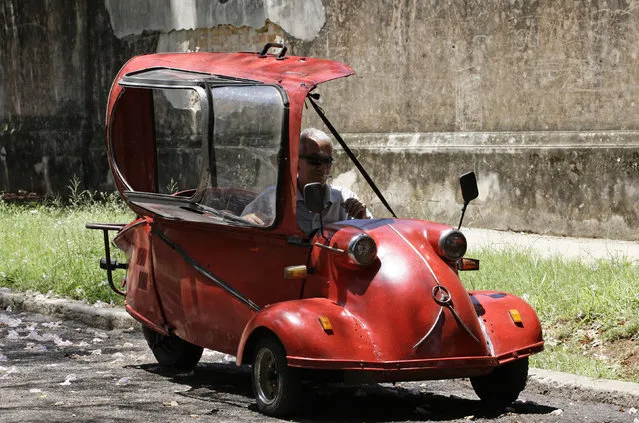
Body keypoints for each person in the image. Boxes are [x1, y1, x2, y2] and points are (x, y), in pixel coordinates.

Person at [241, 128, 371, 234]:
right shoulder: (274, 198)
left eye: (327, 161)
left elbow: (371, 237)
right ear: (296, 161)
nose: (322, 167)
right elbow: (241, 228)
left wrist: (362, 220)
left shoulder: (345, 199)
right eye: (315, 161)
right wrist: (247, 222)